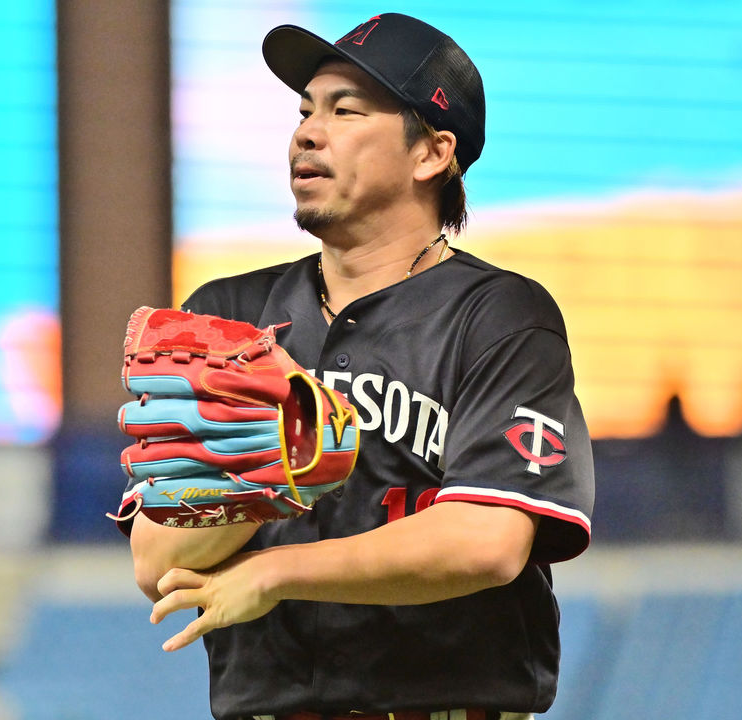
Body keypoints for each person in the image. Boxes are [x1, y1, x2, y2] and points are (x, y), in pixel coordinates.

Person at [115, 12, 595, 720]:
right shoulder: (228, 315)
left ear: (432, 154)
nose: (308, 131)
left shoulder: (499, 315)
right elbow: (158, 562)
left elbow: (488, 540)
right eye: (305, 109)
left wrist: (276, 572)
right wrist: (276, 466)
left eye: (346, 110)